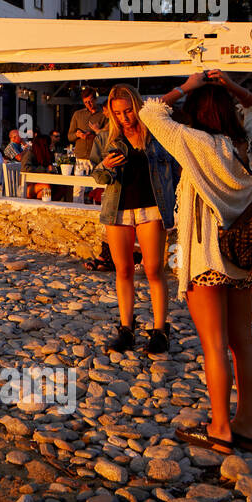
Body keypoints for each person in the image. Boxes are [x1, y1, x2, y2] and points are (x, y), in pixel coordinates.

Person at [139, 69, 252, 455]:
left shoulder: (194, 142)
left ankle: (221, 429)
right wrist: (229, 85)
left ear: (194, 111)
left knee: (213, 345)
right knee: (242, 344)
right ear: (230, 110)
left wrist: (188, 86)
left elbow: (150, 112)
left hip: (207, 257)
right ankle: (247, 425)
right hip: (243, 257)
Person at [89, 84, 181, 354]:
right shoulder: (104, 138)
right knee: (123, 270)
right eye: (118, 113)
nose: (124, 118)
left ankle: (160, 329)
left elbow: (175, 169)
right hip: (117, 208)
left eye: (128, 111)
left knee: (153, 269)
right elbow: (98, 177)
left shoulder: (156, 133)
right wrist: (104, 167)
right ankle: (126, 327)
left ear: (137, 107)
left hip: (152, 207)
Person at [69, 87, 108, 175]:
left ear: (95, 99)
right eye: (86, 102)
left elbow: (108, 136)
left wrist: (96, 133)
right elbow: (70, 136)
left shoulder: (104, 114)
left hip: (96, 157)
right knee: (79, 188)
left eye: (90, 101)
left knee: (97, 187)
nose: (89, 104)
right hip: (80, 158)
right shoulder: (78, 114)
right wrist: (77, 135)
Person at [21, 133, 60, 200]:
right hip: (26, 186)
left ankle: (41, 207)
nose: (51, 145)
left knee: (61, 188)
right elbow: (25, 169)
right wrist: (45, 169)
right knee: (46, 188)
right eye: (49, 144)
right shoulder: (30, 153)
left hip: (40, 181)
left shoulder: (43, 154)